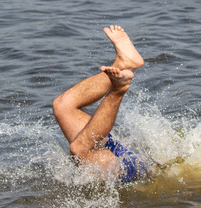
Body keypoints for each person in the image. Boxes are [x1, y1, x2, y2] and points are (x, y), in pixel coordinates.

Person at [53, 25, 155, 183]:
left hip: (124, 166)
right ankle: (122, 63)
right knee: (65, 112)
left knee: (76, 142)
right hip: (123, 161)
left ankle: (118, 90)